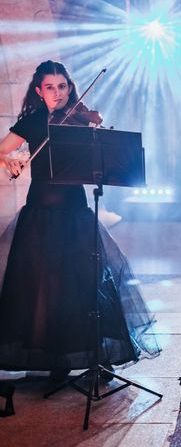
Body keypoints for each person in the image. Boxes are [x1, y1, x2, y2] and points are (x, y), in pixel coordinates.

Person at [0, 60, 160, 380]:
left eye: (63, 86)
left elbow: (103, 149)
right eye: (50, 87)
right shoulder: (32, 122)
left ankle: (94, 355)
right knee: (45, 286)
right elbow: (4, 150)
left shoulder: (80, 118)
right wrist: (11, 162)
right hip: (40, 214)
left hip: (75, 211)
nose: (58, 93)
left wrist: (92, 122)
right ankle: (52, 358)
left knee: (84, 281)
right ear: (39, 91)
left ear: (70, 88)